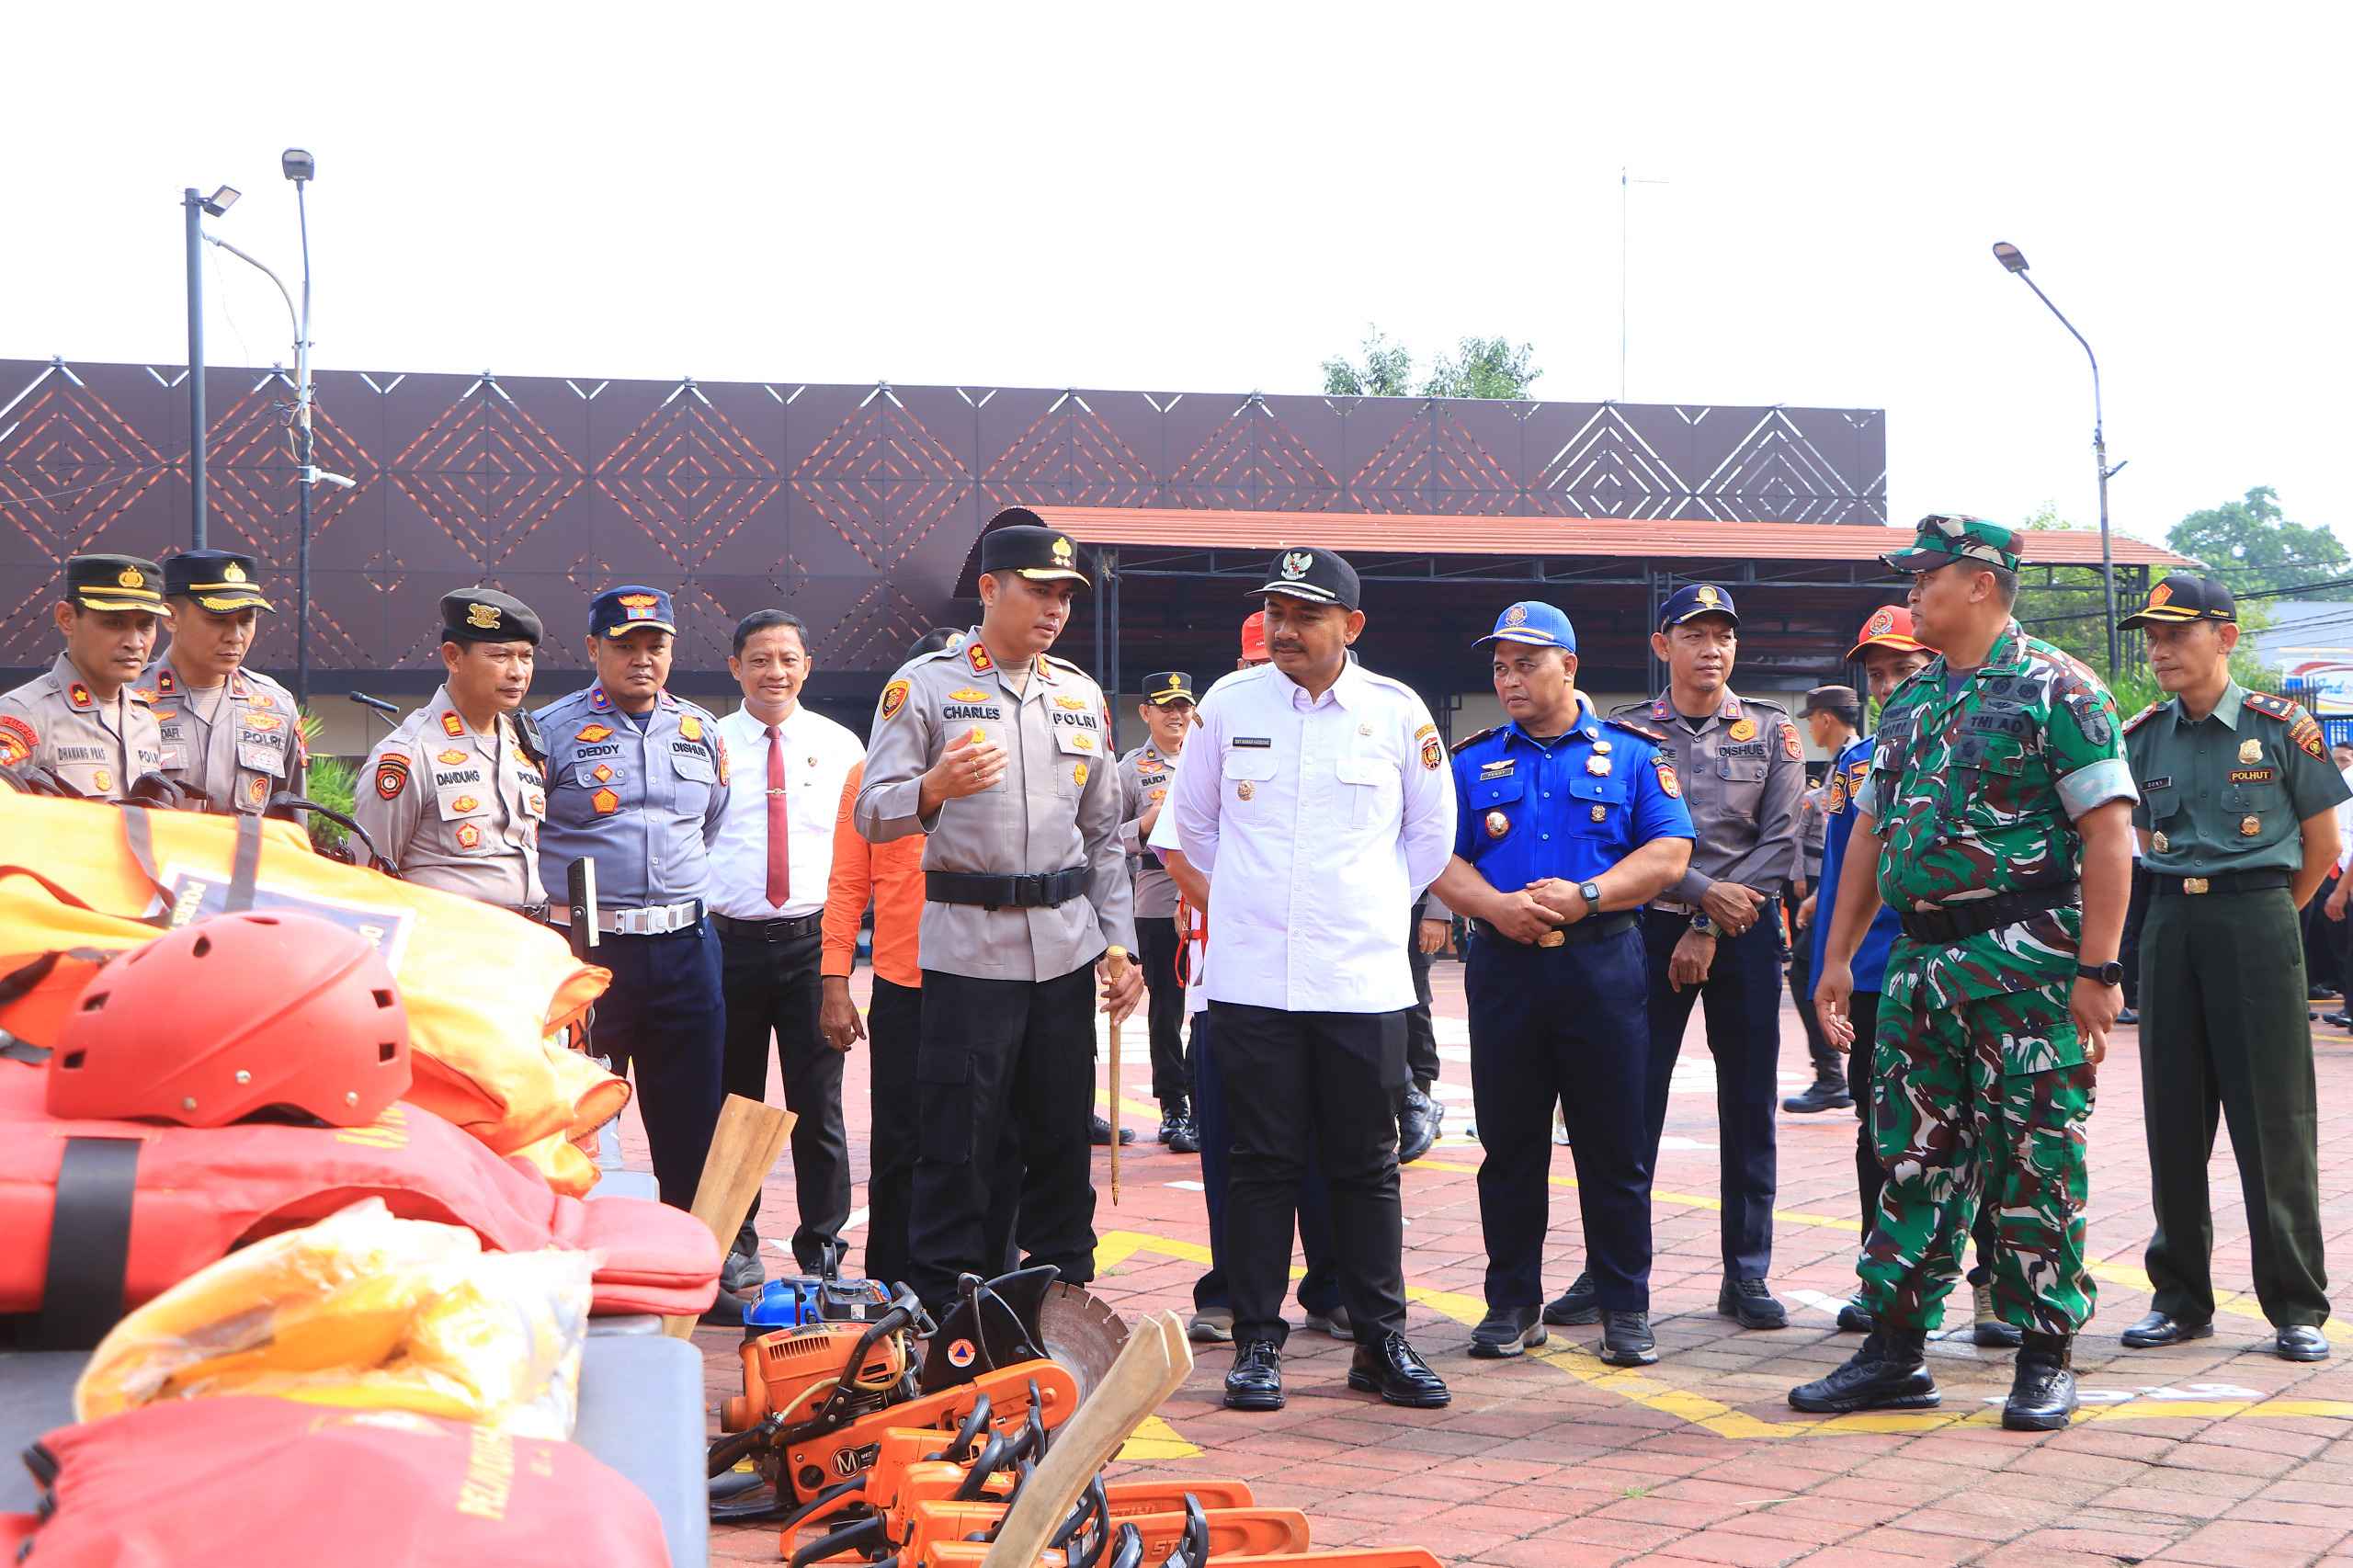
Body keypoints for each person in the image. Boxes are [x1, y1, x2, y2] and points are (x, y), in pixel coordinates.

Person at [1797, 514, 2134, 1431]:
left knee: (2035, 1158)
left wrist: (2098, 969)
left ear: (1980, 582)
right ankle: (1896, 1349)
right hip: (1919, 966)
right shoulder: (1909, 705)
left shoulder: (2058, 687)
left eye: (1925, 577)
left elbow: (2108, 834)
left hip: (2025, 963)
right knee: (1912, 1160)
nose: (1914, 593)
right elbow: (1869, 832)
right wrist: (1835, 955)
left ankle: (2044, 1351)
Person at [1172, 545, 1457, 1413]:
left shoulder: (1397, 713)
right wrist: (1265, 906)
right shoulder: (1228, 703)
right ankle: (1258, 1342)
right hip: (1253, 978)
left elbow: (1429, 840)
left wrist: (1357, 910)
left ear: (1351, 626)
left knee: (1367, 1165)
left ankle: (1380, 1340)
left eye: (1307, 615)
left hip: (1362, 980)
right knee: (1260, 1162)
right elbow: (1194, 825)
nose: (1286, 630)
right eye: (1277, 613)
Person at [855, 514, 1141, 1313]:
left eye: (1066, 597)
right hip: (966, 946)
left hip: (1062, 948)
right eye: (1039, 591)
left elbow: (1105, 841)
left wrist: (1121, 948)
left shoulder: (1081, 697)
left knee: (1057, 1134)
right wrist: (933, 789)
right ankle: (943, 1299)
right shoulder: (927, 689)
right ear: (989, 589)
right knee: (958, 1136)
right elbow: (871, 814)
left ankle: (1062, 1296)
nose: (1054, 610)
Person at [1432, 601, 1694, 1367]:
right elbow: (1441, 858)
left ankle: (1624, 1306)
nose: (1509, 679)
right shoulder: (1473, 761)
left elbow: (1670, 851)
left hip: (1603, 964)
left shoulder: (1634, 755)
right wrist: (1493, 908)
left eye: (1527, 663)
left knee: (1612, 1145)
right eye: (1500, 667)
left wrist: (1588, 895)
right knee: (1509, 1144)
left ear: (1569, 667)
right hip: (1505, 968)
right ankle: (1512, 1303)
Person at [2117, 572, 2341, 1363]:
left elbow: (2322, 853)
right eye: (2152, 635)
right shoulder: (2140, 736)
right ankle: (2179, 1298)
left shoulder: (2284, 727)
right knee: (2173, 1118)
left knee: (2274, 1120)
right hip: (2170, 921)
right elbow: (2135, 842)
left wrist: (2267, 911)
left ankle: (2295, 1305)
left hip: (2257, 919)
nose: (2160, 648)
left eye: (2177, 633)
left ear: (2227, 638)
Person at [1803, 608, 2017, 1346]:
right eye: (1878, 673)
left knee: (1990, 1129)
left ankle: (1994, 1285)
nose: (1890, 683)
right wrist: (1828, 965)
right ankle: (1882, 1284)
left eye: (1904, 667)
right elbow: (1841, 871)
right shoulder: (1859, 761)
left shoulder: (1985, 736)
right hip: (1876, 975)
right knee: (1886, 1136)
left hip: (1970, 962)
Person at [1605, 583, 1803, 1332]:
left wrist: (1712, 923)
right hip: (1645, 933)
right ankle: (1614, 1272)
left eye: (1723, 635)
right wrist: (1694, 896)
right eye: (1694, 634)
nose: (1711, 648)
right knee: (1628, 1105)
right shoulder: (1625, 733)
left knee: (1749, 1107)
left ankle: (1746, 1275)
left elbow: (1782, 842)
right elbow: (1625, 834)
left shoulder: (1771, 732)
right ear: (1663, 647)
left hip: (1744, 935)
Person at [1166, 614, 1352, 1346]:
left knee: (1328, 1143)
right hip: (1228, 982)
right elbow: (1174, 844)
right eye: (1252, 656)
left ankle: (1333, 1284)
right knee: (1236, 1149)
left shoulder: (1349, 722)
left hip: (1323, 982)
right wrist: (1254, 914)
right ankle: (1233, 1288)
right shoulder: (1221, 721)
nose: (1264, 668)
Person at [536, 585, 731, 1210]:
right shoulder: (548, 733)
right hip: (590, 948)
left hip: (685, 946)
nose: (642, 658)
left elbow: (709, 824)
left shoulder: (701, 730)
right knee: (576, 1109)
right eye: (626, 646)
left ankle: (693, 1261)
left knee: (692, 1115)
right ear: (594, 648)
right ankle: (584, 1256)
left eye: (656, 645)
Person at [709, 608, 868, 1290]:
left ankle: (823, 1243)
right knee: (733, 1104)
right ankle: (734, 1241)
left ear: (808, 665)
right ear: (735, 667)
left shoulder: (841, 747)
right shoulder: (705, 743)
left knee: (818, 1105)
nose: (774, 672)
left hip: (811, 947)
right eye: (760, 659)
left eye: (787, 659)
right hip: (725, 945)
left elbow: (859, 851)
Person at [823, 627, 962, 1294]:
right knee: (901, 1142)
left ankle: (975, 1275)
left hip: (984, 979)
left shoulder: (993, 763)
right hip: (905, 983)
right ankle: (891, 1283)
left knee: (981, 1137)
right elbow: (849, 885)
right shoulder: (866, 778)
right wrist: (835, 981)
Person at [354, 589, 549, 914]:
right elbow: (368, 878)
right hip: (447, 947)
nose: (517, 672)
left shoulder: (523, 745)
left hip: (525, 943)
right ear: (453, 657)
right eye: (500, 656)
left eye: (525, 656)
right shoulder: (409, 753)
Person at [141, 549, 304, 814]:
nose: (236, 636)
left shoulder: (275, 706)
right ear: (171, 618)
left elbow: (291, 823)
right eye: (218, 620)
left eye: (246, 620)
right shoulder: (129, 700)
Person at [1, 554, 166, 799]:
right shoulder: (25, 716)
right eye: (114, 623)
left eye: (145, 625)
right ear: (66, 619)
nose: (134, 643)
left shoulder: (145, 719)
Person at [1120, 669, 1201, 1153]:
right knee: (1167, 1011)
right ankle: (1175, 1105)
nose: (1176, 715)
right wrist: (1146, 825)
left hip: (1211, 903)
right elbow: (1104, 840)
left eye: (1183, 706)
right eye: (1165, 706)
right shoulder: (1130, 771)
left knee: (1214, 1005)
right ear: (1145, 712)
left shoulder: (1212, 759)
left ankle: (1206, 1095)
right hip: (1158, 901)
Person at [1782, 687, 1856, 1115]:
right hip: (1829, 887)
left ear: (1826, 718)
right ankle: (1833, 1075)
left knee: (1813, 971)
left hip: (1849, 890)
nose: (1810, 726)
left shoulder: (1854, 761)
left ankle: (1835, 1076)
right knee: (1810, 971)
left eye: (1812, 718)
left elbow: (1848, 840)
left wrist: (1818, 894)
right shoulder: (1837, 765)